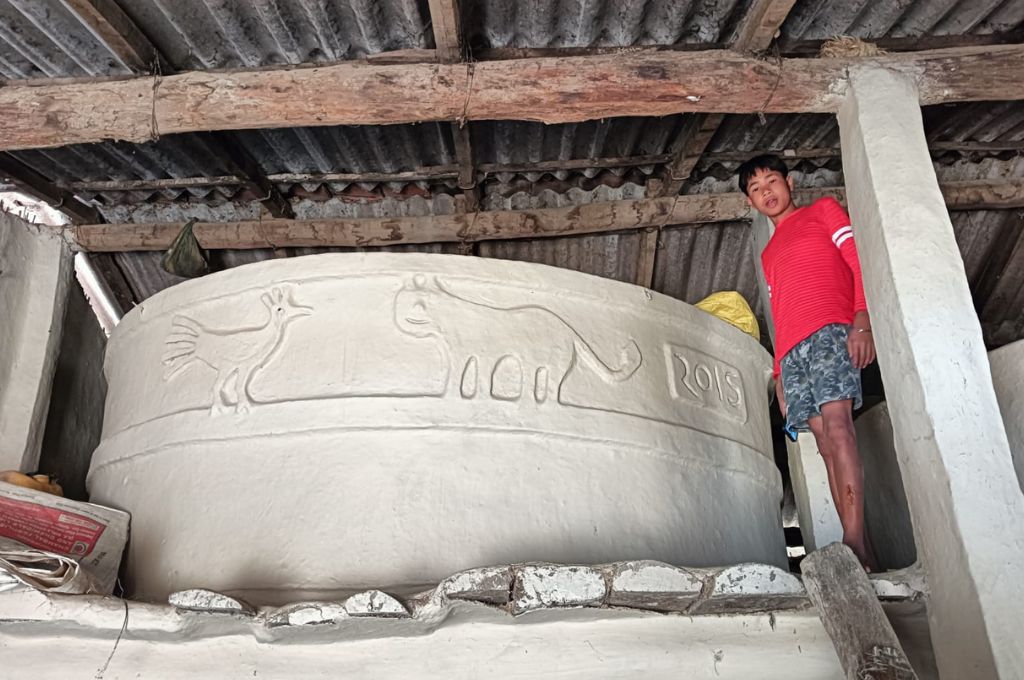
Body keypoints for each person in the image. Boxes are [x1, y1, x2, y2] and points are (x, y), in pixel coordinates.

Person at [738, 154, 878, 570]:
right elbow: (779, 310)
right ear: (751, 202)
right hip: (794, 352)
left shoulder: (824, 211)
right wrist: (780, 374)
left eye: (772, 181)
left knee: (839, 428)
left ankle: (852, 540)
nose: (767, 192)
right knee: (823, 445)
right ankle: (861, 547)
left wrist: (862, 320)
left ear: (790, 183)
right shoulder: (768, 254)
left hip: (832, 332)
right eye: (756, 189)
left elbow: (857, 262)